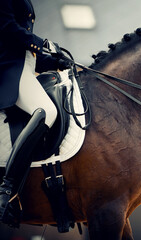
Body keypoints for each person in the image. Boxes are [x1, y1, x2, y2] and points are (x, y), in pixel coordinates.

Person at [0, 0, 69, 224]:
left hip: (23, 69)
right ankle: (6, 189)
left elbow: (25, 55)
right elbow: (7, 28)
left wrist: (55, 61)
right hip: (9, 70)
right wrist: (42, 43)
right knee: (47, 111)